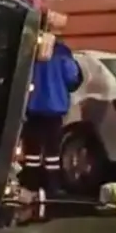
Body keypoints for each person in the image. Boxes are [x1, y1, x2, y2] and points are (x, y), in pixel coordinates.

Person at [21, 33, 81, 198]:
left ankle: (31, 186)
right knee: (52, 153)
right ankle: (52, 188)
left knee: (32, 151)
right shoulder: (61, 52)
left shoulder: (28, 48)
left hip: (32, 108)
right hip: (54, 109)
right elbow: (72, 78)